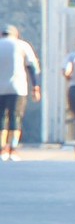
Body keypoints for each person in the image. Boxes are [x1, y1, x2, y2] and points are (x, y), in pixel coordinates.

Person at [0, 23, 36, 159]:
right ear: (16, 34)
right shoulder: (22, 45)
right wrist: (36, 86)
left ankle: (2, 149)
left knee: (1, 117)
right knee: (15, 117)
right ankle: (13, 149)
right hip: (17, 87)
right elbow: (32, 67)